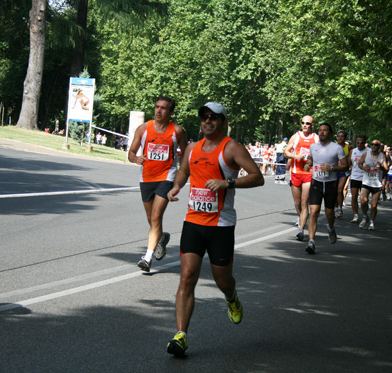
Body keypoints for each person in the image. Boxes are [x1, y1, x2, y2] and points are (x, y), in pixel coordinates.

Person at [165, 102, 264, 356]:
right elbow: (183, 172)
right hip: (193, 222)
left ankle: (232, 298)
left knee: (222, 281)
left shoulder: (231, 148)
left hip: (221, 225)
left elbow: (257, 176)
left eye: (212, 117)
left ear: (222, 121)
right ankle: (181, 336)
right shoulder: (192, 147)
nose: (207, 121)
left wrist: (227, 182)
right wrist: (176, 186)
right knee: (187, 278)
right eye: (203, 117)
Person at [128, 97, 187, 272]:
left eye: (163, 108)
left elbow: (184, 156)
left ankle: (147, 258)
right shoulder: (143, 129)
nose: (159, 111)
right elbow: (131, 153)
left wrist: (179, 178)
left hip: (166, 177)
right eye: (157, 107)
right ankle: (161, 238)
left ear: (170, 113)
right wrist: (136, 158)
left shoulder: (177, 131)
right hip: (146, 178)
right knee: (151, 219)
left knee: (155, 216)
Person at [303, 123, 348, 254]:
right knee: (314, 211)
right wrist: (308, 165)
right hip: (316, 182)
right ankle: (311, 242)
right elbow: (310, 160)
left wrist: (332, 168)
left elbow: (345, 166)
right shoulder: (313, 146)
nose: (322, 133)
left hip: (330, 184)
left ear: (330, 133)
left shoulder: (336, 148)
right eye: (320, 131)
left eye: (325, 131)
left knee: (329, 213)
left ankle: (331, 228)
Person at [284, 116, 319, 240]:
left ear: (312, 125)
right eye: (303, 123)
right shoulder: (296, 136)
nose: (304, 125)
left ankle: (301, 229)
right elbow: (286, 152)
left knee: (305, 202)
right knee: (297, 202)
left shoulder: (316, 138)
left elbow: (321, 152)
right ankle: (301, 217)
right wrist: (295, 156)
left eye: (307, 123)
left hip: (309, 174)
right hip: (295, 172)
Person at [357, 140, 388, 230]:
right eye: (372, 144)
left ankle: (371, 222)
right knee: (363, 201)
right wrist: (363, 167)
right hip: (366, 182)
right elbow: (359, 163)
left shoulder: (382, 156)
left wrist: (381, 167)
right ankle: (364, 216)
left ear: (379, 147)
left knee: (374, 205)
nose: (374, 146)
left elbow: (386, 169)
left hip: (376, 183)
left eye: (376, 145)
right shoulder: (366, 154)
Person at [348, 135, 369, 223]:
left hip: (365, 177)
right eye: (358, 143)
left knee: (364, 200)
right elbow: (349, 161)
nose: (360, 144)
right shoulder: (353, 151)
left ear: (365, 143)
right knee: (354, 197)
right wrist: (350, 166)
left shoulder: (369, 151)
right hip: (355, 177)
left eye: (362, 143)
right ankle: (356, 215)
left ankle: (365, 214)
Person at [334, 130, 351, 219]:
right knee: (334, 191)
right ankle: (336, 207)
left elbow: (350, 159)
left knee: (340, 190)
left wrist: (349, 165)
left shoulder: (348, 147)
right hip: (334, 171)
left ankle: (340, 208)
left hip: (343, 172)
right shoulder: (333, 146)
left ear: (345, 138)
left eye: (342, 136)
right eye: (339, 136)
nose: (340, 138)